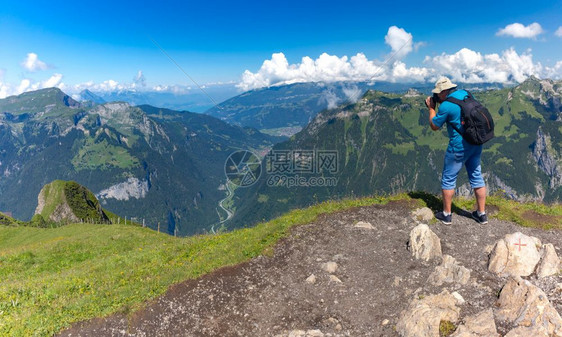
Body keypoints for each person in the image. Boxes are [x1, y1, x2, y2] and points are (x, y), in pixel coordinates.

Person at [425, 77, 487, 225]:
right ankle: (481, 214)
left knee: (448, 179)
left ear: (444, 91)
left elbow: (434, 126)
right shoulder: (466, 94)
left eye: (438, 93)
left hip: (458, 147)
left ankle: (446, 215)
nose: (437, 96)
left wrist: (431, 108)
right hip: (476, 142)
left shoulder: (446, 105)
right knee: (476, 176)